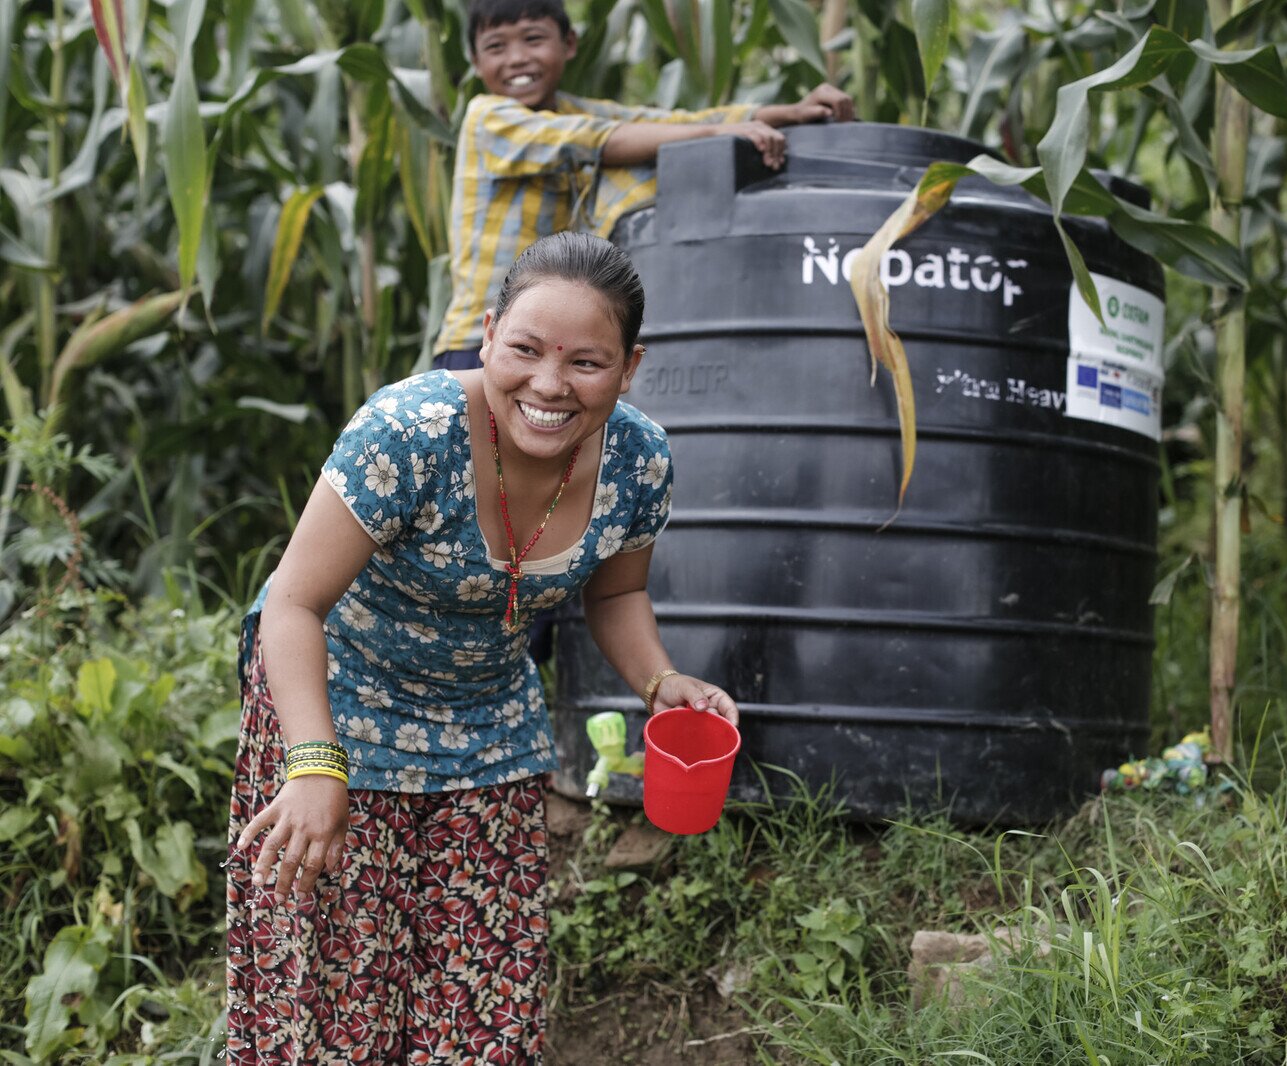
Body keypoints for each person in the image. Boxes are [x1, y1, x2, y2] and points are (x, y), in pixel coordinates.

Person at [225, 232, 737, 1064]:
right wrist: (314, 763)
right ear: (490, 332)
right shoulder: (410, 432)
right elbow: (292, 601)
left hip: (486, 720)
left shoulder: (639, 461)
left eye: (586, 362)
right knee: (339, 999)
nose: (549, 384)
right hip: (337, 703)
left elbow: (616, 592)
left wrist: (660, 680)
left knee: (485, 1001)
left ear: (631, 367)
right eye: (527, 349)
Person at [432, 0, 855, 370]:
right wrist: (719, 136)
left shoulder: (575, 110)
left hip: (546, 341)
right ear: (474, 59)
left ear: (571, 43)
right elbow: (604, 141)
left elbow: (668, 125)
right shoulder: (487, 118)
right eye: (496, 47)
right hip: (482, 339)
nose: (517, 58)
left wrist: (784, 113)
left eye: (533, 39)